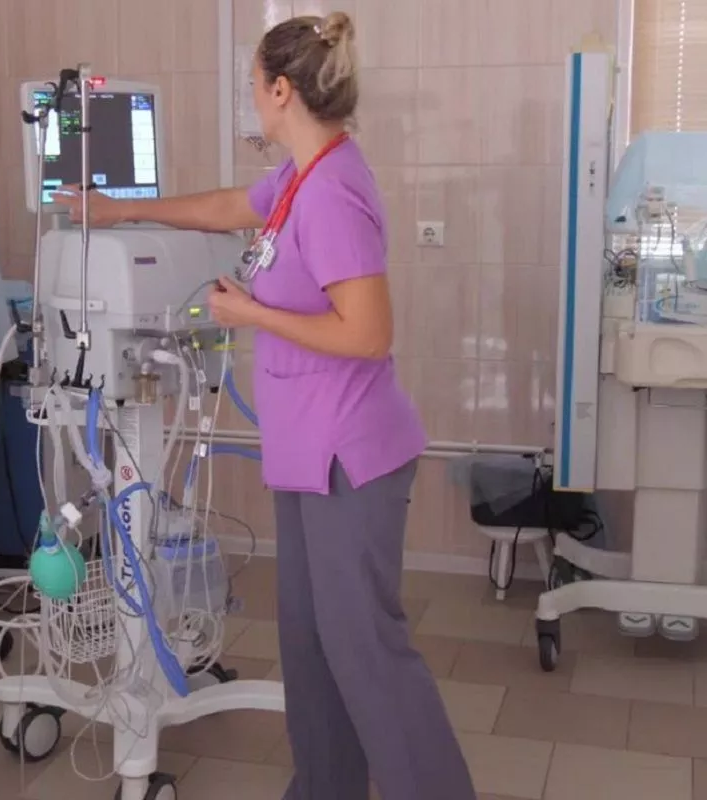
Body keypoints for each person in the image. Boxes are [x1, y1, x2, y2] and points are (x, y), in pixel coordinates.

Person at [54, 12, 476, 800]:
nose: (251, 97)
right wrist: (118, 211)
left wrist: (251, 314)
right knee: (311, 645)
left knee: (365, 649)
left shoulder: (333, 194)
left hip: (350, 455)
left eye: (254, 84)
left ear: (282, 90)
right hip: (307, 452)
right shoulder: (298, 180)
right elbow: (225, 206)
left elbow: (369, 334)